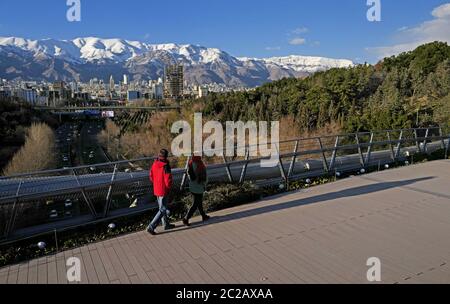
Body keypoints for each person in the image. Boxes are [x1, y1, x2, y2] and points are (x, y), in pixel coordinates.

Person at [147, 149, 175, 235]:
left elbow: (151, 176)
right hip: (164, 190)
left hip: (157, 189)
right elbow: (168, 181)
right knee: (163, 209)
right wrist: (169, 188)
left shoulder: (155, 163)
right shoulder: (166, 166)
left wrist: (156, 183)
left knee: (161, 208)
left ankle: (166, 224)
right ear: (166, 157)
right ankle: (151, 226)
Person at [183, 155, 210, 226]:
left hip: (192, 186)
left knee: (199, 201)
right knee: (196, 203)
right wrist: (205, 184)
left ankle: (203, 216)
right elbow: (205, 177)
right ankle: (186, 218)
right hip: (199, 186)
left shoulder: (190, 163)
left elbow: (189, 175)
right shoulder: (200, 164)